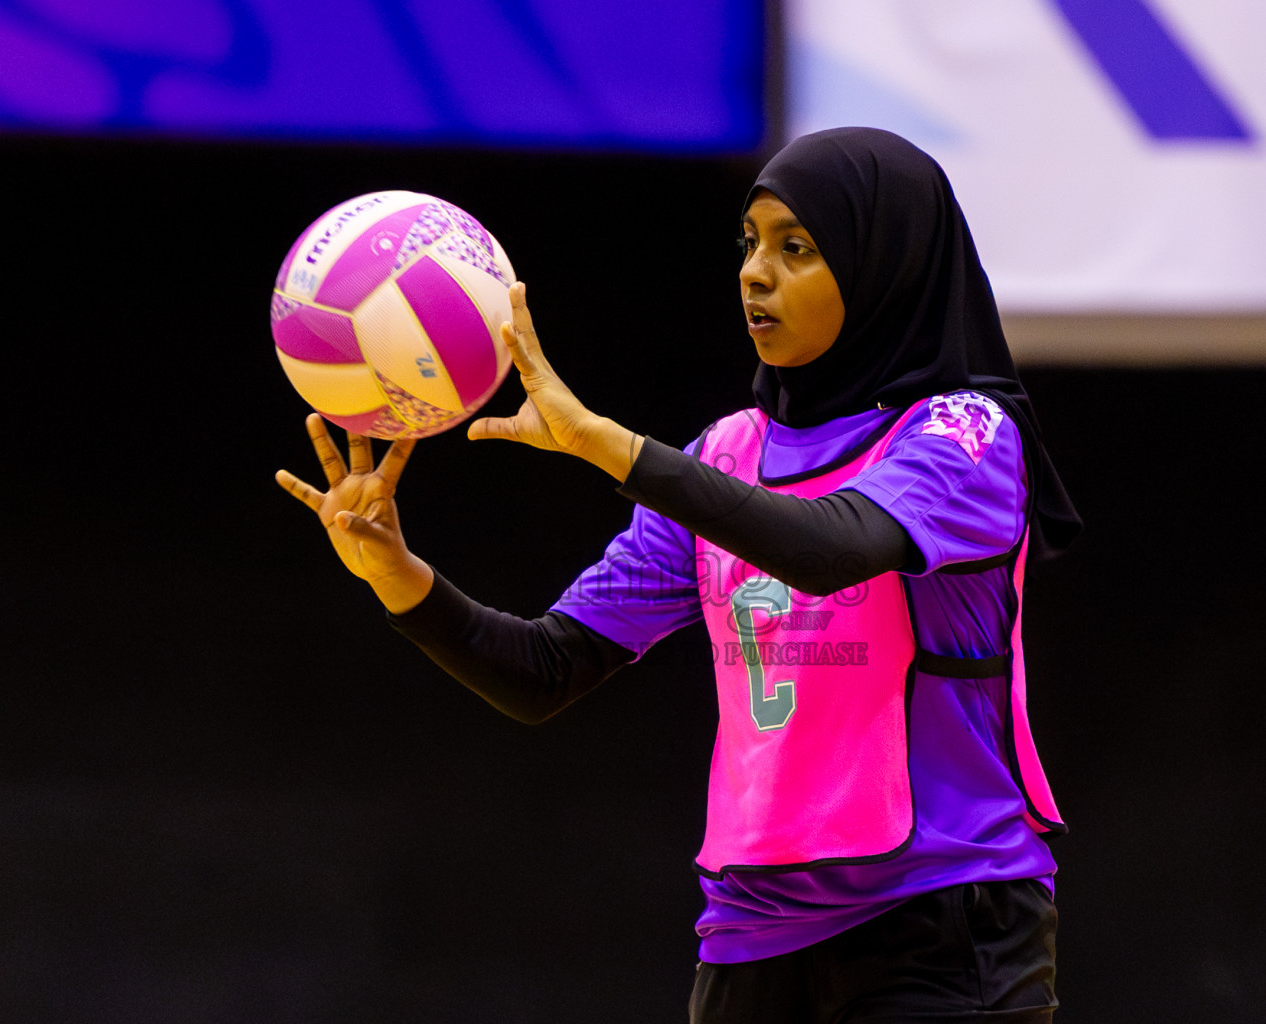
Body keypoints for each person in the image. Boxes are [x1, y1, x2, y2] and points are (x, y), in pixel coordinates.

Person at [277, 127, 1082, 1023]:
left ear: (884, 266)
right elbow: (543, 670)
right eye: (749, 242)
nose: (755, 273)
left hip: (945, 922)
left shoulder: (963, 434)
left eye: (796, 248)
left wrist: (607, 445)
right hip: (752, 934)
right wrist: (396, 574)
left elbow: (832, 549)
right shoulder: (723, 455)